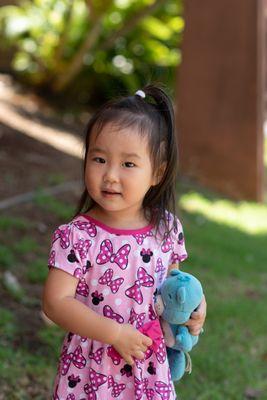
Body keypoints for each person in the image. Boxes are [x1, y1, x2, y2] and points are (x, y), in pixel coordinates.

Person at [42, 85, 206, 400]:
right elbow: (55, 302)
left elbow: (173, 288)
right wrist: (114, 333)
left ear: (157, 172)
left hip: (147, 363)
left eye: (128, 164)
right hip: (92, 370)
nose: (111, 175)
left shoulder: (166, 229)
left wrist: (196, 309)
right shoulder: (77, 236)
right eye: (99, 159)